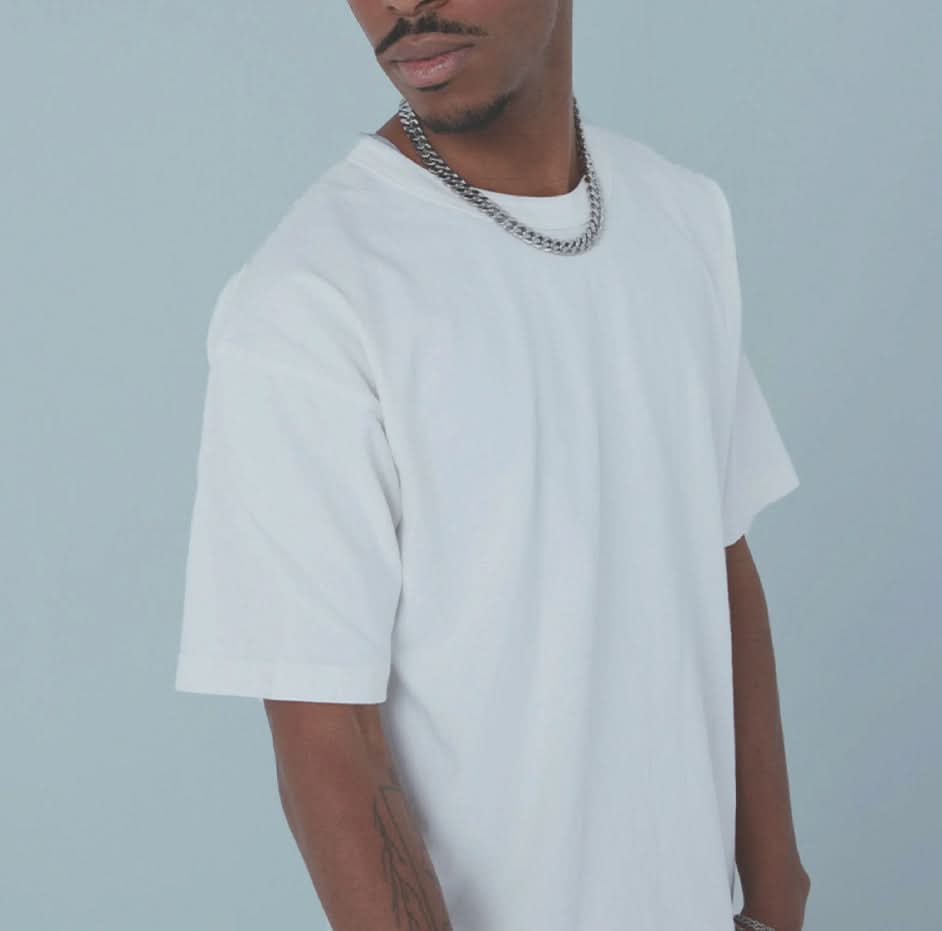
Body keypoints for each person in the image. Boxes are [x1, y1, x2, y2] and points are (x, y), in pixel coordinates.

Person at [173, 1, 812, 928]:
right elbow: (326, 730)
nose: (401, 5)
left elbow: (718, 559)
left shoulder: (681, 215)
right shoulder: (307, 302)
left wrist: (777, 897)